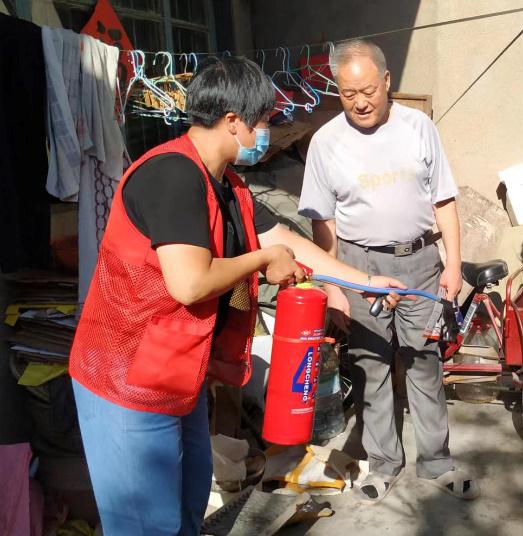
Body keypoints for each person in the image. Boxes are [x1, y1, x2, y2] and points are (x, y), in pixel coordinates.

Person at [68, 56, 404, 536]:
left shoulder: (229, 186)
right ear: (232, 121)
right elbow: (190, 282)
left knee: (185, 509)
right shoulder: (173, 176)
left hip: (176, 374)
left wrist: (366, 281)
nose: (266, 132)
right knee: (147, 524)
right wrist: (262, 262)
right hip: (125, 379)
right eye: (262, 121)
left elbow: (284, 241)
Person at [298, 39, 478, 503]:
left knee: (424, 361)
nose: (359, 102)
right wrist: (333, 286)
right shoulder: (325, 142)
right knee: (370, 364)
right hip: (358, 265)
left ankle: (436, 461)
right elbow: (323, 223)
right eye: (347, 93)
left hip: (420, 263)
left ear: (387, 81)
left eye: (368, 91)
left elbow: (444, 200)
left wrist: (453, 264)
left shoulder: (419, 128)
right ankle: (383, 464)